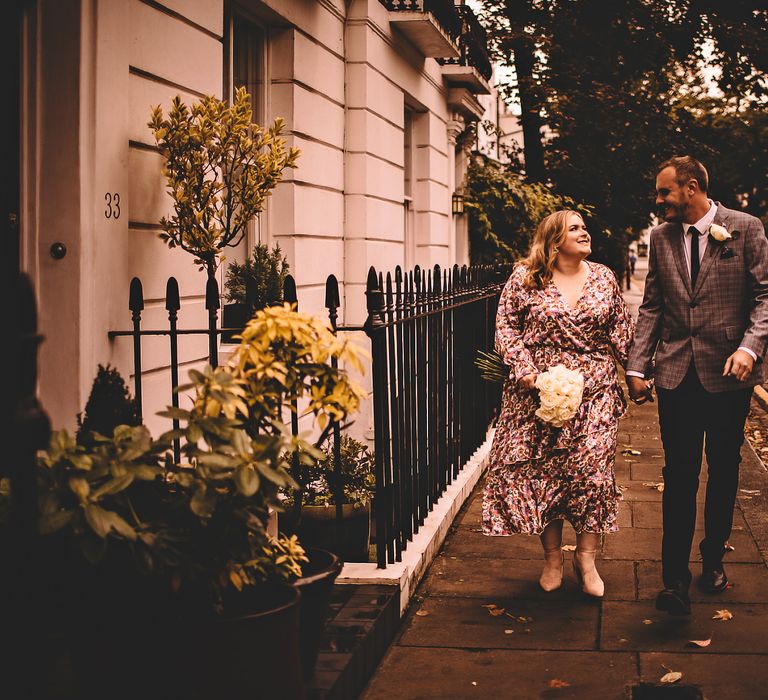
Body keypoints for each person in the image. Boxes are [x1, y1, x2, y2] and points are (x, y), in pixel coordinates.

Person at [627, 156, 768, 616]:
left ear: (690, 188)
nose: (659, 200)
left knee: (724, 468)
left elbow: (765, 297)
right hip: (675, 376)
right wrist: (637, 365)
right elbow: (652, 306)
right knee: (679, 474)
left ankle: (713, 559)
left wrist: (750, 348)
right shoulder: (661, 237)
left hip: (729, 375)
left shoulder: (744, 228)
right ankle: (674, 580)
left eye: (664, 191)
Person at [482, 210, 635, 598]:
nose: (585, 232)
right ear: (553, 240)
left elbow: (621, 332)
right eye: (575, 228)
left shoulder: (604, 277)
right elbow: (506, 328)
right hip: (538, 393)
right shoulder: (526, 277)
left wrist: (639, 371)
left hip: (595, 390)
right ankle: (552, 558)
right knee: (547, 475)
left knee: (591, 474)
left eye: (585, 226)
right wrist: (528, 373)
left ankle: (587, 558)